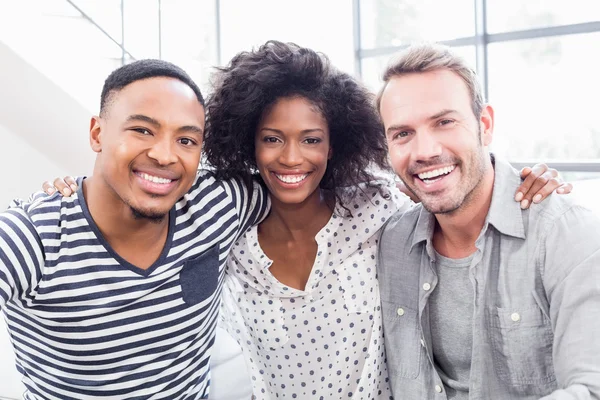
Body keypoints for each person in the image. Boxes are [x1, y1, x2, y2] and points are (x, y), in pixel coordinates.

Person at [41, 42, 571, 400]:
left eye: (311, 139)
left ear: (335, 141)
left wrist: (528, 178)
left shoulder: (377, 207)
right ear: (248, 139)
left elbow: (446, 182)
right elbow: (145, 184)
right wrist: (72, 194)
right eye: (272, 138)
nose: (291, 158)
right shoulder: (224, 220)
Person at [0, 59, 268, 399]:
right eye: (142, 130)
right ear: (97, 134)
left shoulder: (218, 203)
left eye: (186, 140)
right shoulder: (33, 237)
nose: (164, 155)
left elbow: (307, 183)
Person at [377, 42, 600, 399]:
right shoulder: (389, 242)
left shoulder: (565, 234)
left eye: (445, 122)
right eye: (403, 134)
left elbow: (591, 389)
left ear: (485, 125)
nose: (425, 151)